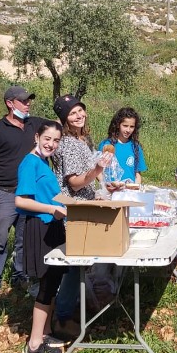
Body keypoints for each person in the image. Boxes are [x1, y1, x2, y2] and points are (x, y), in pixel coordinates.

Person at [50, 93, 112, 339]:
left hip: (84, 206)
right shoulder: (68, 143)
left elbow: (88, 177)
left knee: (82, 264)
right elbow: (74, 183)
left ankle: (78, 305)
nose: (78, 115)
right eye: (72, 113)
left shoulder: (83, 139)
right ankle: (63, 317)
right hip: (73, 210)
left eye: (80, 110)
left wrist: (102, 186)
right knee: (75, 266)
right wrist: (97, 170)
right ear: (64, 118)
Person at [0, 86, 48, 294]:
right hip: (4, 193)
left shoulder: (34, 124)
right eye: (23, 101)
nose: (28, 104)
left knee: (24, 239)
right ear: (10, 103)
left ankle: (21, 277)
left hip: (28, 193)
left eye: (29, 101)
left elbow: (57, 129)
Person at [14, 121, 68, 353]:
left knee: (53, 280)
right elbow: (21, 201)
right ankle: (34, 344)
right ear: (37, 137)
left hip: (53, 226)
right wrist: (50, 209)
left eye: (56, 141)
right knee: (46, 284)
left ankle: (45, 333)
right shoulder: (30, 163)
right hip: (40, 227)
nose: (51, 144)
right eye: (47, 139)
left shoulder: (43, 162)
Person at [98, 107, 147, 185]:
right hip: (110, 192)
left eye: (132, 127)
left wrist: (136, 188)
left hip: (129, 193)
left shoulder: (136, 147)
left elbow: (137, 173)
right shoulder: (106, 145)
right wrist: (105, 185)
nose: (128, 130)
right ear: (118, 125)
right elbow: (98, 171)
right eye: (125, 126)